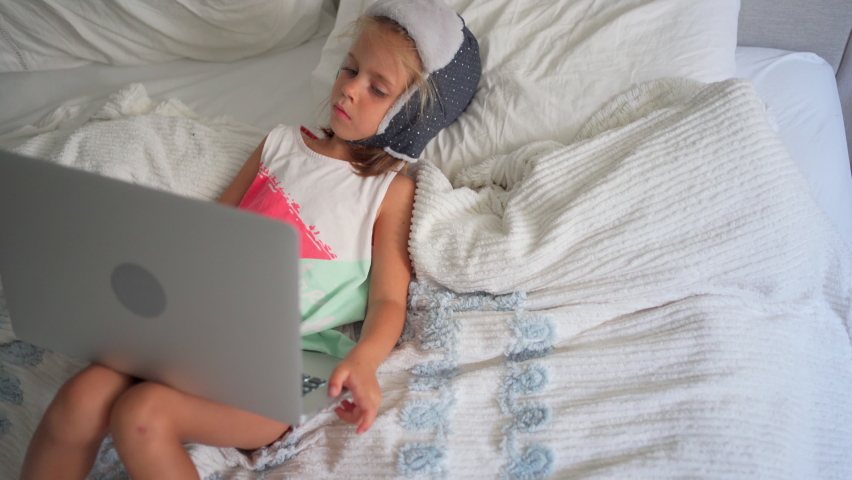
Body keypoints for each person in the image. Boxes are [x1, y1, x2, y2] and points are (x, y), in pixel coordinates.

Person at [19, 1, 480, 478]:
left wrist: (364, 362)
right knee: (78, 399)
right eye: (350, 68)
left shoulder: (389, 192)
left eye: (377, 89)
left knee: (141, 416)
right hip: (197, 333)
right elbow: (211, 233)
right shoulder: (280, 144)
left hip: (279, 369)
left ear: (410, 119)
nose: (349, 88)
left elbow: (388, 299)